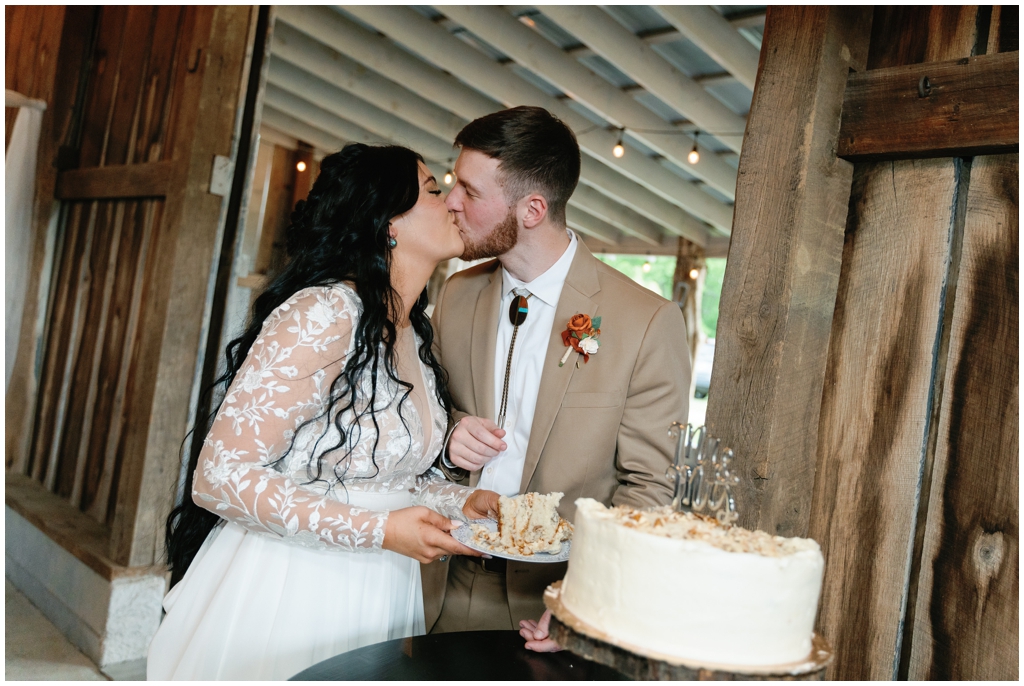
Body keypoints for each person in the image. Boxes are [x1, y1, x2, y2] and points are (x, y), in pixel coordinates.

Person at [148, 143, 500, 680]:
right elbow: (220, 477)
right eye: (434, 190)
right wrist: (377, 531)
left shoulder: (411, 331)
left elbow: (388, 480)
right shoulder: (326, 311)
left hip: (381, 590)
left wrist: (461, 502)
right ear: (388, 223)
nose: (453, 201)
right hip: (294, 587)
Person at [424, 106, 692, 650]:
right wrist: (450, 433)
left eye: (470, 192)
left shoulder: (646, 321)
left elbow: (651, 488)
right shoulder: (455, 294)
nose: (450, 201)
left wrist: (583, 599)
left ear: (533, 208)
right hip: (439, 581)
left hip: (548, 607)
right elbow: (423, 413)